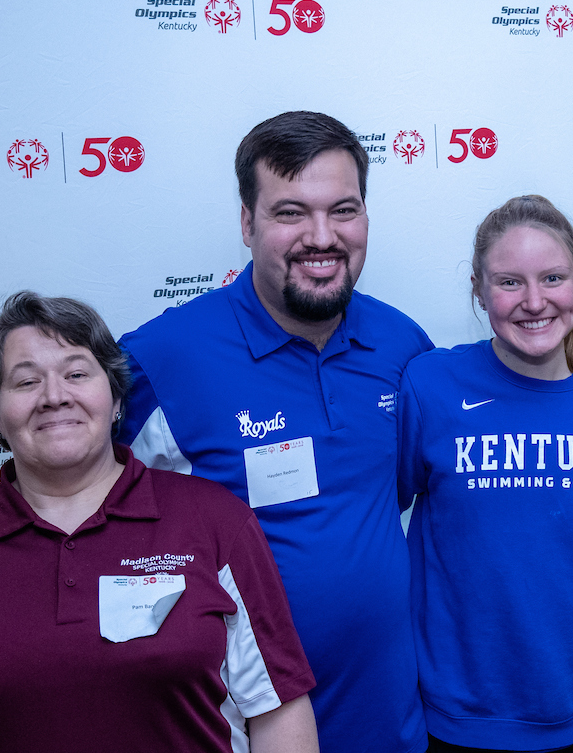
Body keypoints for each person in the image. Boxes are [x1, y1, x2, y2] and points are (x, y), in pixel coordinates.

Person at [117, 111, 431, 753]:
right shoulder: (162, 359)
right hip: (236, 732)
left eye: (343, 210)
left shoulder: (402, 345)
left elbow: (398, 492)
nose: (322, 237)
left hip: (390, 726)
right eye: (290, 212)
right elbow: (92, 519)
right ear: (246, 223)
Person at [0, 292, 318, 753]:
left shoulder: (214, 521)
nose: (54, 397)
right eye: (25, 383)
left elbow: (277, 710)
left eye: (77, 374)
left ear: (117, 398)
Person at [397, 195, 573, 753]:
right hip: (461, 719)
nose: (534, 301)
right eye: (509, 282)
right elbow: (378, 516)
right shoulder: (430, 386)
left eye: (553, 277)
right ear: (479, 291)